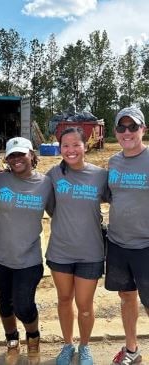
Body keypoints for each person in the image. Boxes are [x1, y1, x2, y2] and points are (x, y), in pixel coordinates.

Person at [46, 127, 108, 365]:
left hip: (90, 252)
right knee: (63, 300)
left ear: (85, 146)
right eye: (65, 146)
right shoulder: (53, 174)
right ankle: (67, 344)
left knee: (84, 306)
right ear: (60, 148)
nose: (70, 150)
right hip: (60, 251)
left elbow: (120, 199)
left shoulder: (100, 175)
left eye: (75, 145)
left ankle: (84, 346)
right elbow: (49, 207)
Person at [0, 137, 53, 363]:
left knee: (24, 304)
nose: (17, 159)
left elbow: (60, 213)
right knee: (4, 302)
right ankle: (12, 341)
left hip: (30, 257)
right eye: (12, 155)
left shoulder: (46, 184)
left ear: (32, 156)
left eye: (21, 154)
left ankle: (33, 339)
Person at [105, 106, 149, 365]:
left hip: (146, 246)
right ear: (115, 132)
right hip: (118, 243)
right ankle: (131, 349)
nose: (127, 132)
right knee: (126, 296)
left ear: (143, 129)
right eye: (121, 127)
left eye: (133, 126)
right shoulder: (114, 161)